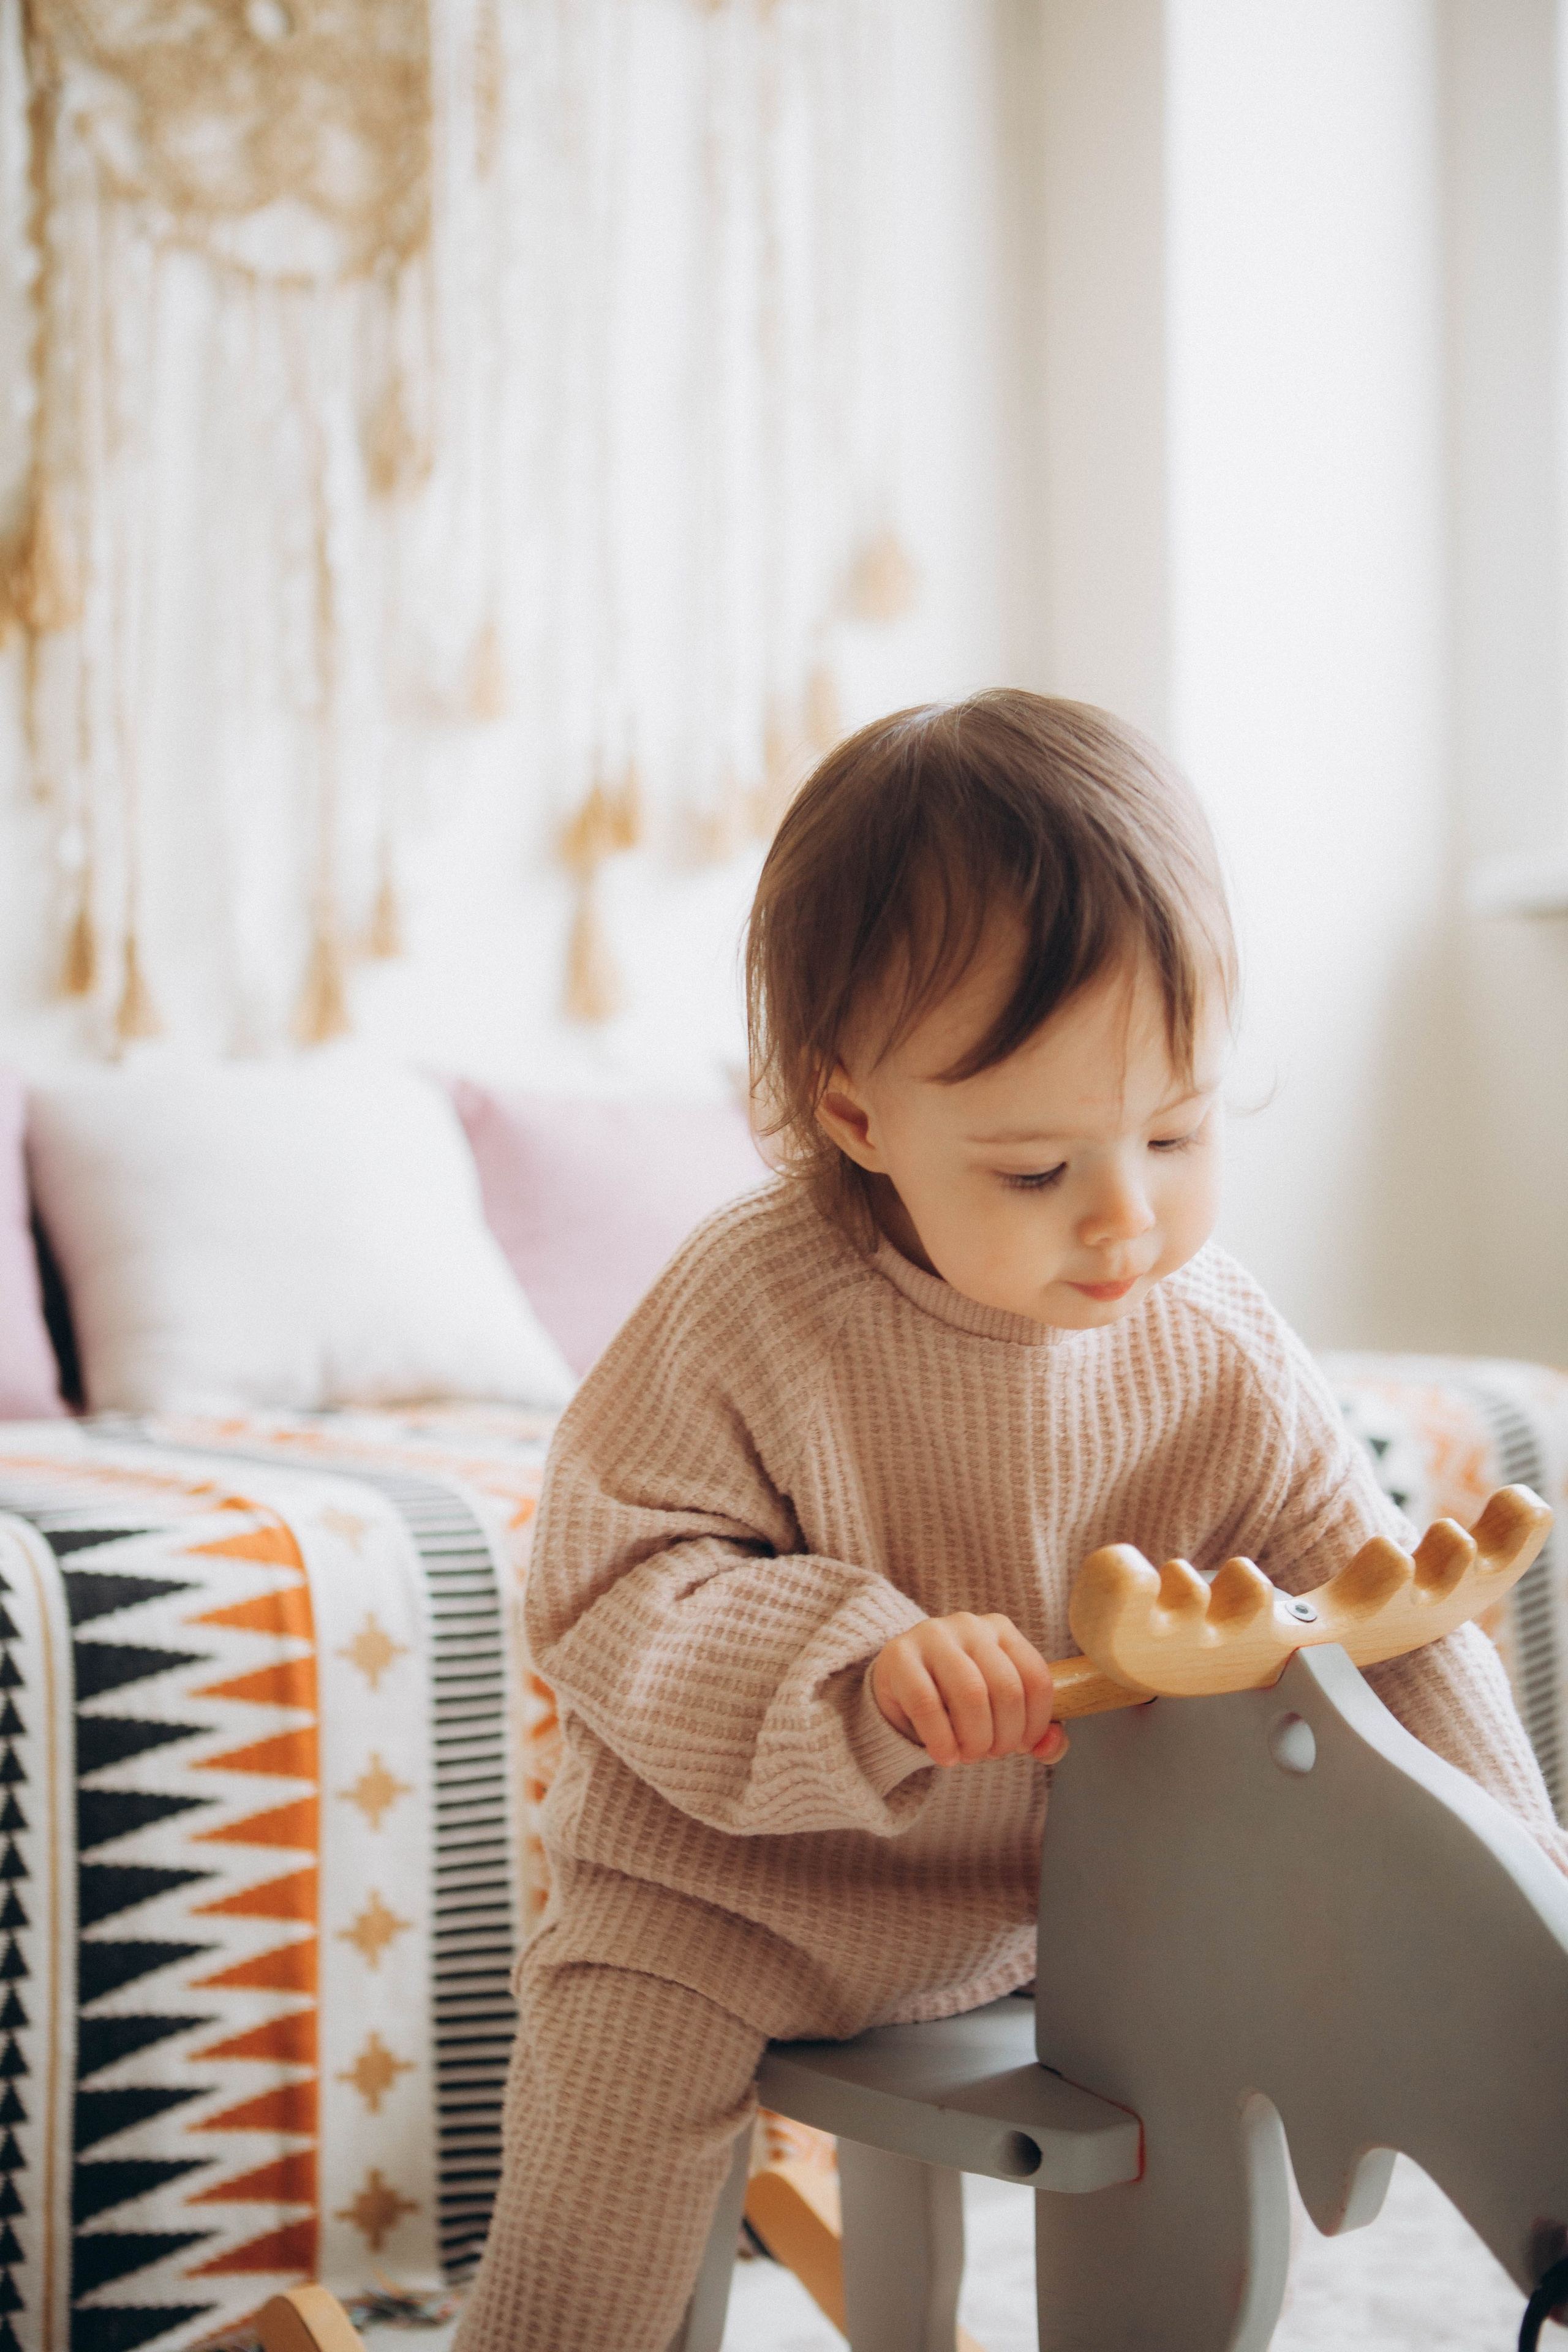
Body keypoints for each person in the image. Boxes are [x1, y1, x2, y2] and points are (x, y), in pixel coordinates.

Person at [453, 692, 1564, 2351]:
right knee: (598, 2215)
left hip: (1062, 1905)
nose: (1128, 1219)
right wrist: (866, 1669)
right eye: (1039, 1170)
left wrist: (1518, 1875)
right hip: (727, 1896)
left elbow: (1374, 1617)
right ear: (858, 1118)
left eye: (1179, 1132)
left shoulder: (1218, 1344)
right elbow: (613, 1582)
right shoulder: (755, 1301)